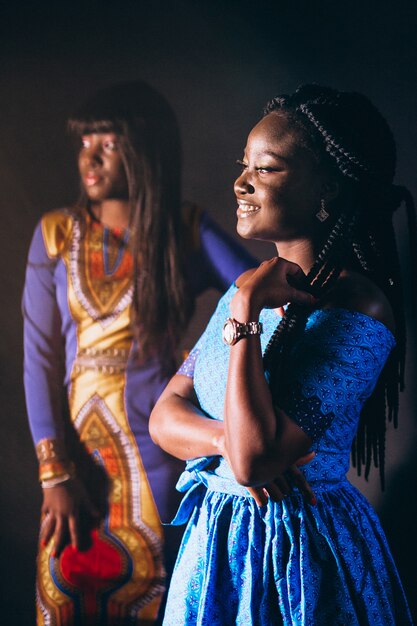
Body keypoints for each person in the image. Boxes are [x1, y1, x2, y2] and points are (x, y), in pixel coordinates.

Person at [150, 84, 415, 625]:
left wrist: (247, 308)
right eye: (242, 165)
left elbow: (253, 465)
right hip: (215, 544)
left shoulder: (359, 308)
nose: (241, 183)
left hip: (297, 557)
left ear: (328, 188)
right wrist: (227, 438)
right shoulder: (242, 290)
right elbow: (163, 417)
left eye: (266, 169)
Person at [22, 81, 259, 625]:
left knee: (164, 589)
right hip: (76, 455)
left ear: (146, 150)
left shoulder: (183, 229)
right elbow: (40, 357)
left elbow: (255, 295)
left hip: (164, 443)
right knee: (69, 589)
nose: (91, 158)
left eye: (109, 144)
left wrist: (206, 361)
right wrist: (54, 473)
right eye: (85, 144)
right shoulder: (56, 233)